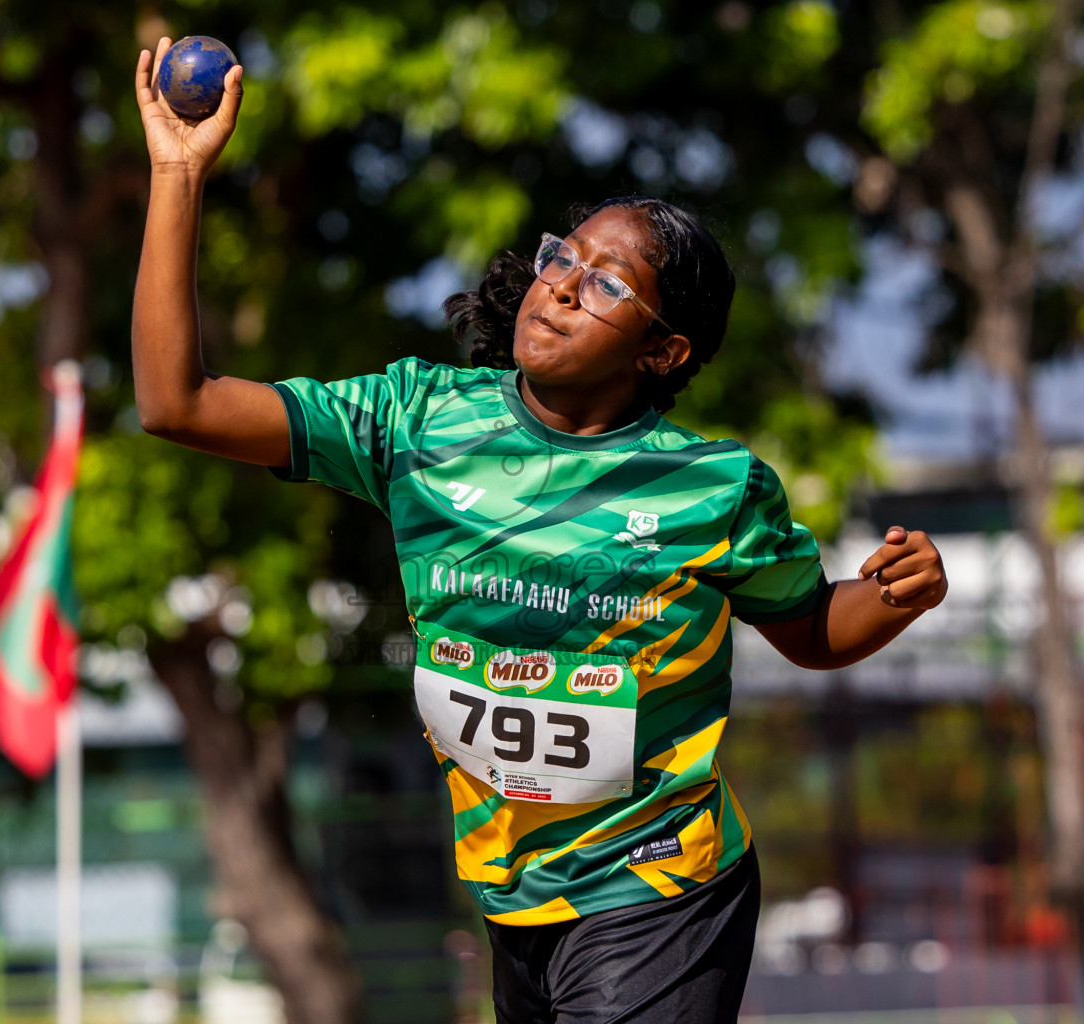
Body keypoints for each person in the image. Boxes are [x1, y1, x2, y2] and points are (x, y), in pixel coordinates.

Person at [132, 40, 948, 1024]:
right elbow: (176, 402)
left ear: (665, 351)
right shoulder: (417, 419)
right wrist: (178, 177)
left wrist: (895, 596)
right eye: (563, 259)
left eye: (607, 284)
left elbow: (813, 628)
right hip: (512, 894)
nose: (561, 284)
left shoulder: (714, 485)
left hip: (663, 890)